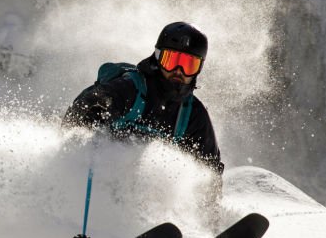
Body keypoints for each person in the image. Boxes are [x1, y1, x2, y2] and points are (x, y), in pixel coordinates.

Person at [63, 21, 224, 173]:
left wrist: (208, 199)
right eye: (171, 60)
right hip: (99, 172)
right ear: (158, 57)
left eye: (189, 65)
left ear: (199, 68)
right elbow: (79, 112)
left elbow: (210, 170)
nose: (179, 71)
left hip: (145, 193)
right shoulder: (130, 88)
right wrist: (91, 110)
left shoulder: (192, 115)